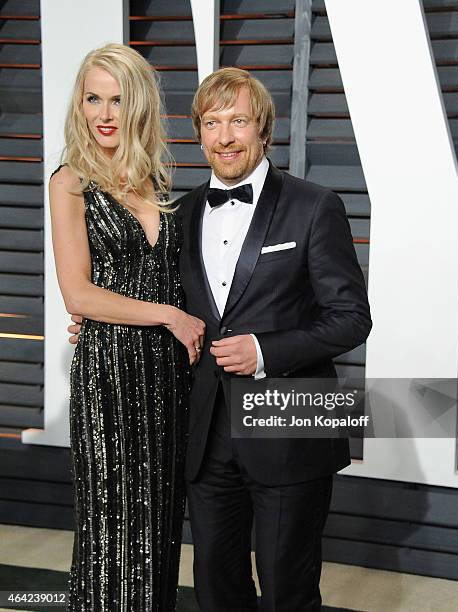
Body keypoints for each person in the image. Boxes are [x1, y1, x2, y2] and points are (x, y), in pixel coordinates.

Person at [70, 67, 371, 611]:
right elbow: (160, 304)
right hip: (205, 433)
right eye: (212, 123)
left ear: (263, 130)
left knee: (287, 587)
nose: (225, 136)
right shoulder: (179, 213)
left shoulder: (314, 204)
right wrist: (94, 322)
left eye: (238, 121)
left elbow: (352, 318)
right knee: (216, 587)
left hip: (291, 419)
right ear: (198, 132)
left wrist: (264, 351)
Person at [50, 43, 204, 611]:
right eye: (93, 98)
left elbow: (171, 280)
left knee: (159, 532)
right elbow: (78, 292)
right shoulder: (69, 182)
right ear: (80, 104)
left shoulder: (157, 182)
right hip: (109, 377)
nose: (104, 113)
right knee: (110, 532)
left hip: (166, 381)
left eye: (117, 99)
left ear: (138, 105)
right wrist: (166, 314)